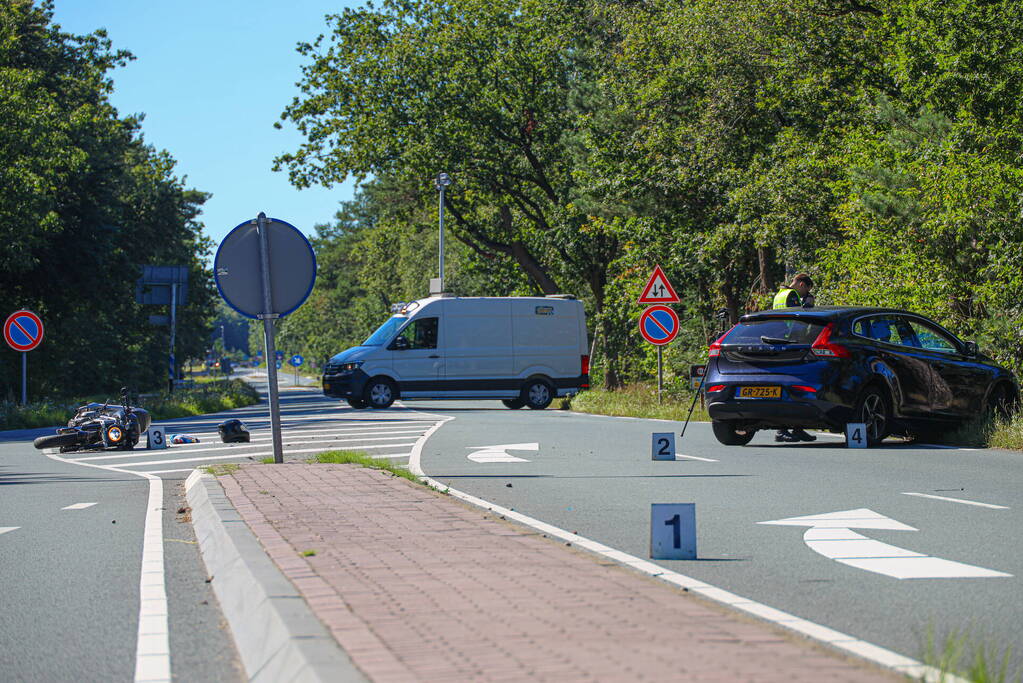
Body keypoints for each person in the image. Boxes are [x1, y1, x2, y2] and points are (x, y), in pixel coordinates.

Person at [773, 274, 816, 443]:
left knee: (792, 389)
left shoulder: (781, 294)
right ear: (802, 284)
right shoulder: (793, 296)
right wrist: (809, 304)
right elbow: (800, 317)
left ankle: (797, 428)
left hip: (779, 341)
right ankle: (782, 430)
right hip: (790, 344)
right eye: (807, 289)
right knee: (789, 389)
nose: (807, 293)